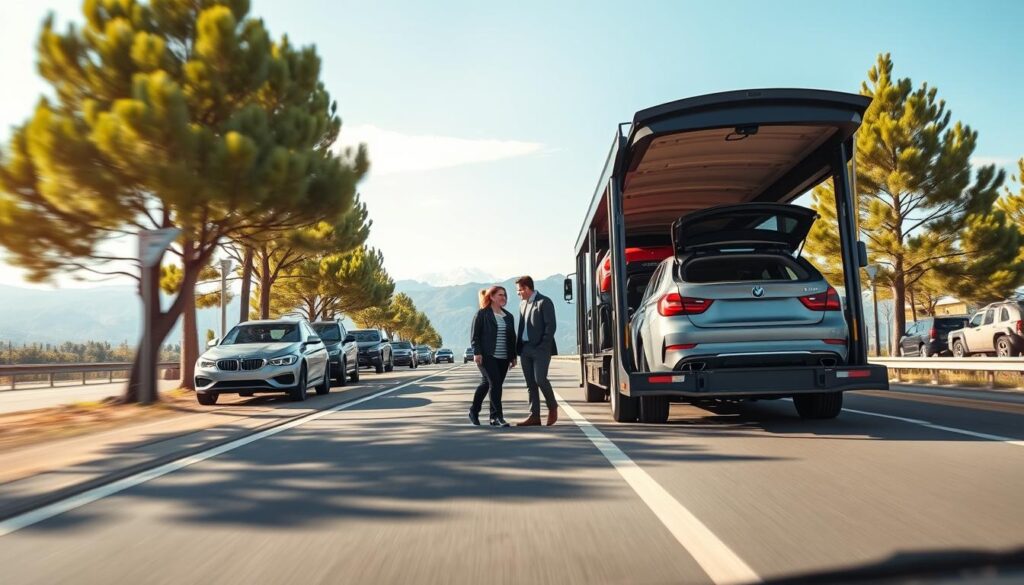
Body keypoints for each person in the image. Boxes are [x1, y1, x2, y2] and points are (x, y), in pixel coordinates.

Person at [468, 285, 517, 427]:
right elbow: (475, 335)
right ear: (492, 297)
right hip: (487, 356)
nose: (504, 298)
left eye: (505, 295)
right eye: (500, 295)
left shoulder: (509, 316)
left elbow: (511, 337)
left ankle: (474, 411)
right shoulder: (482, 314)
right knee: (495, 384)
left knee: (487, 384)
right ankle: (497, 417)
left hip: (503, 357)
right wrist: (477, 352)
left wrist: (513, 356)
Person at [514, 276, 559, 426]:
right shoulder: (522, 304)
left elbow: (551, 326)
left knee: (540, 379)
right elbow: (521, 328)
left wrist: (543, 345)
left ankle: (552, 407)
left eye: (519, 290)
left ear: (527, 288)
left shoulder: (544, 302)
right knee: (530, 383)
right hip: (525, 349)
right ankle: (534, 416)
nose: (518, 293)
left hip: (540, 349)